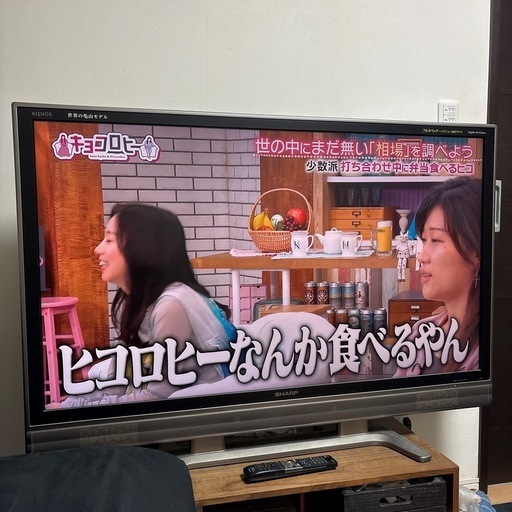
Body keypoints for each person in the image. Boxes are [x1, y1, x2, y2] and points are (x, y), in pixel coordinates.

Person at [62, 203, 236, 406]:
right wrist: (70, 406)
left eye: (109, 239)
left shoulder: (171, 306)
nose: (97, 249)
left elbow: (158, 398)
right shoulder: (134, 301)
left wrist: (77, 409)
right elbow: (117, 380)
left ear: (141, 249)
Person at [394, 176, 481, 376]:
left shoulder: (491, 352)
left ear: (476, 252)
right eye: (424, 240)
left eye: (435, 240)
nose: (422, 256)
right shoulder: (420, 332)